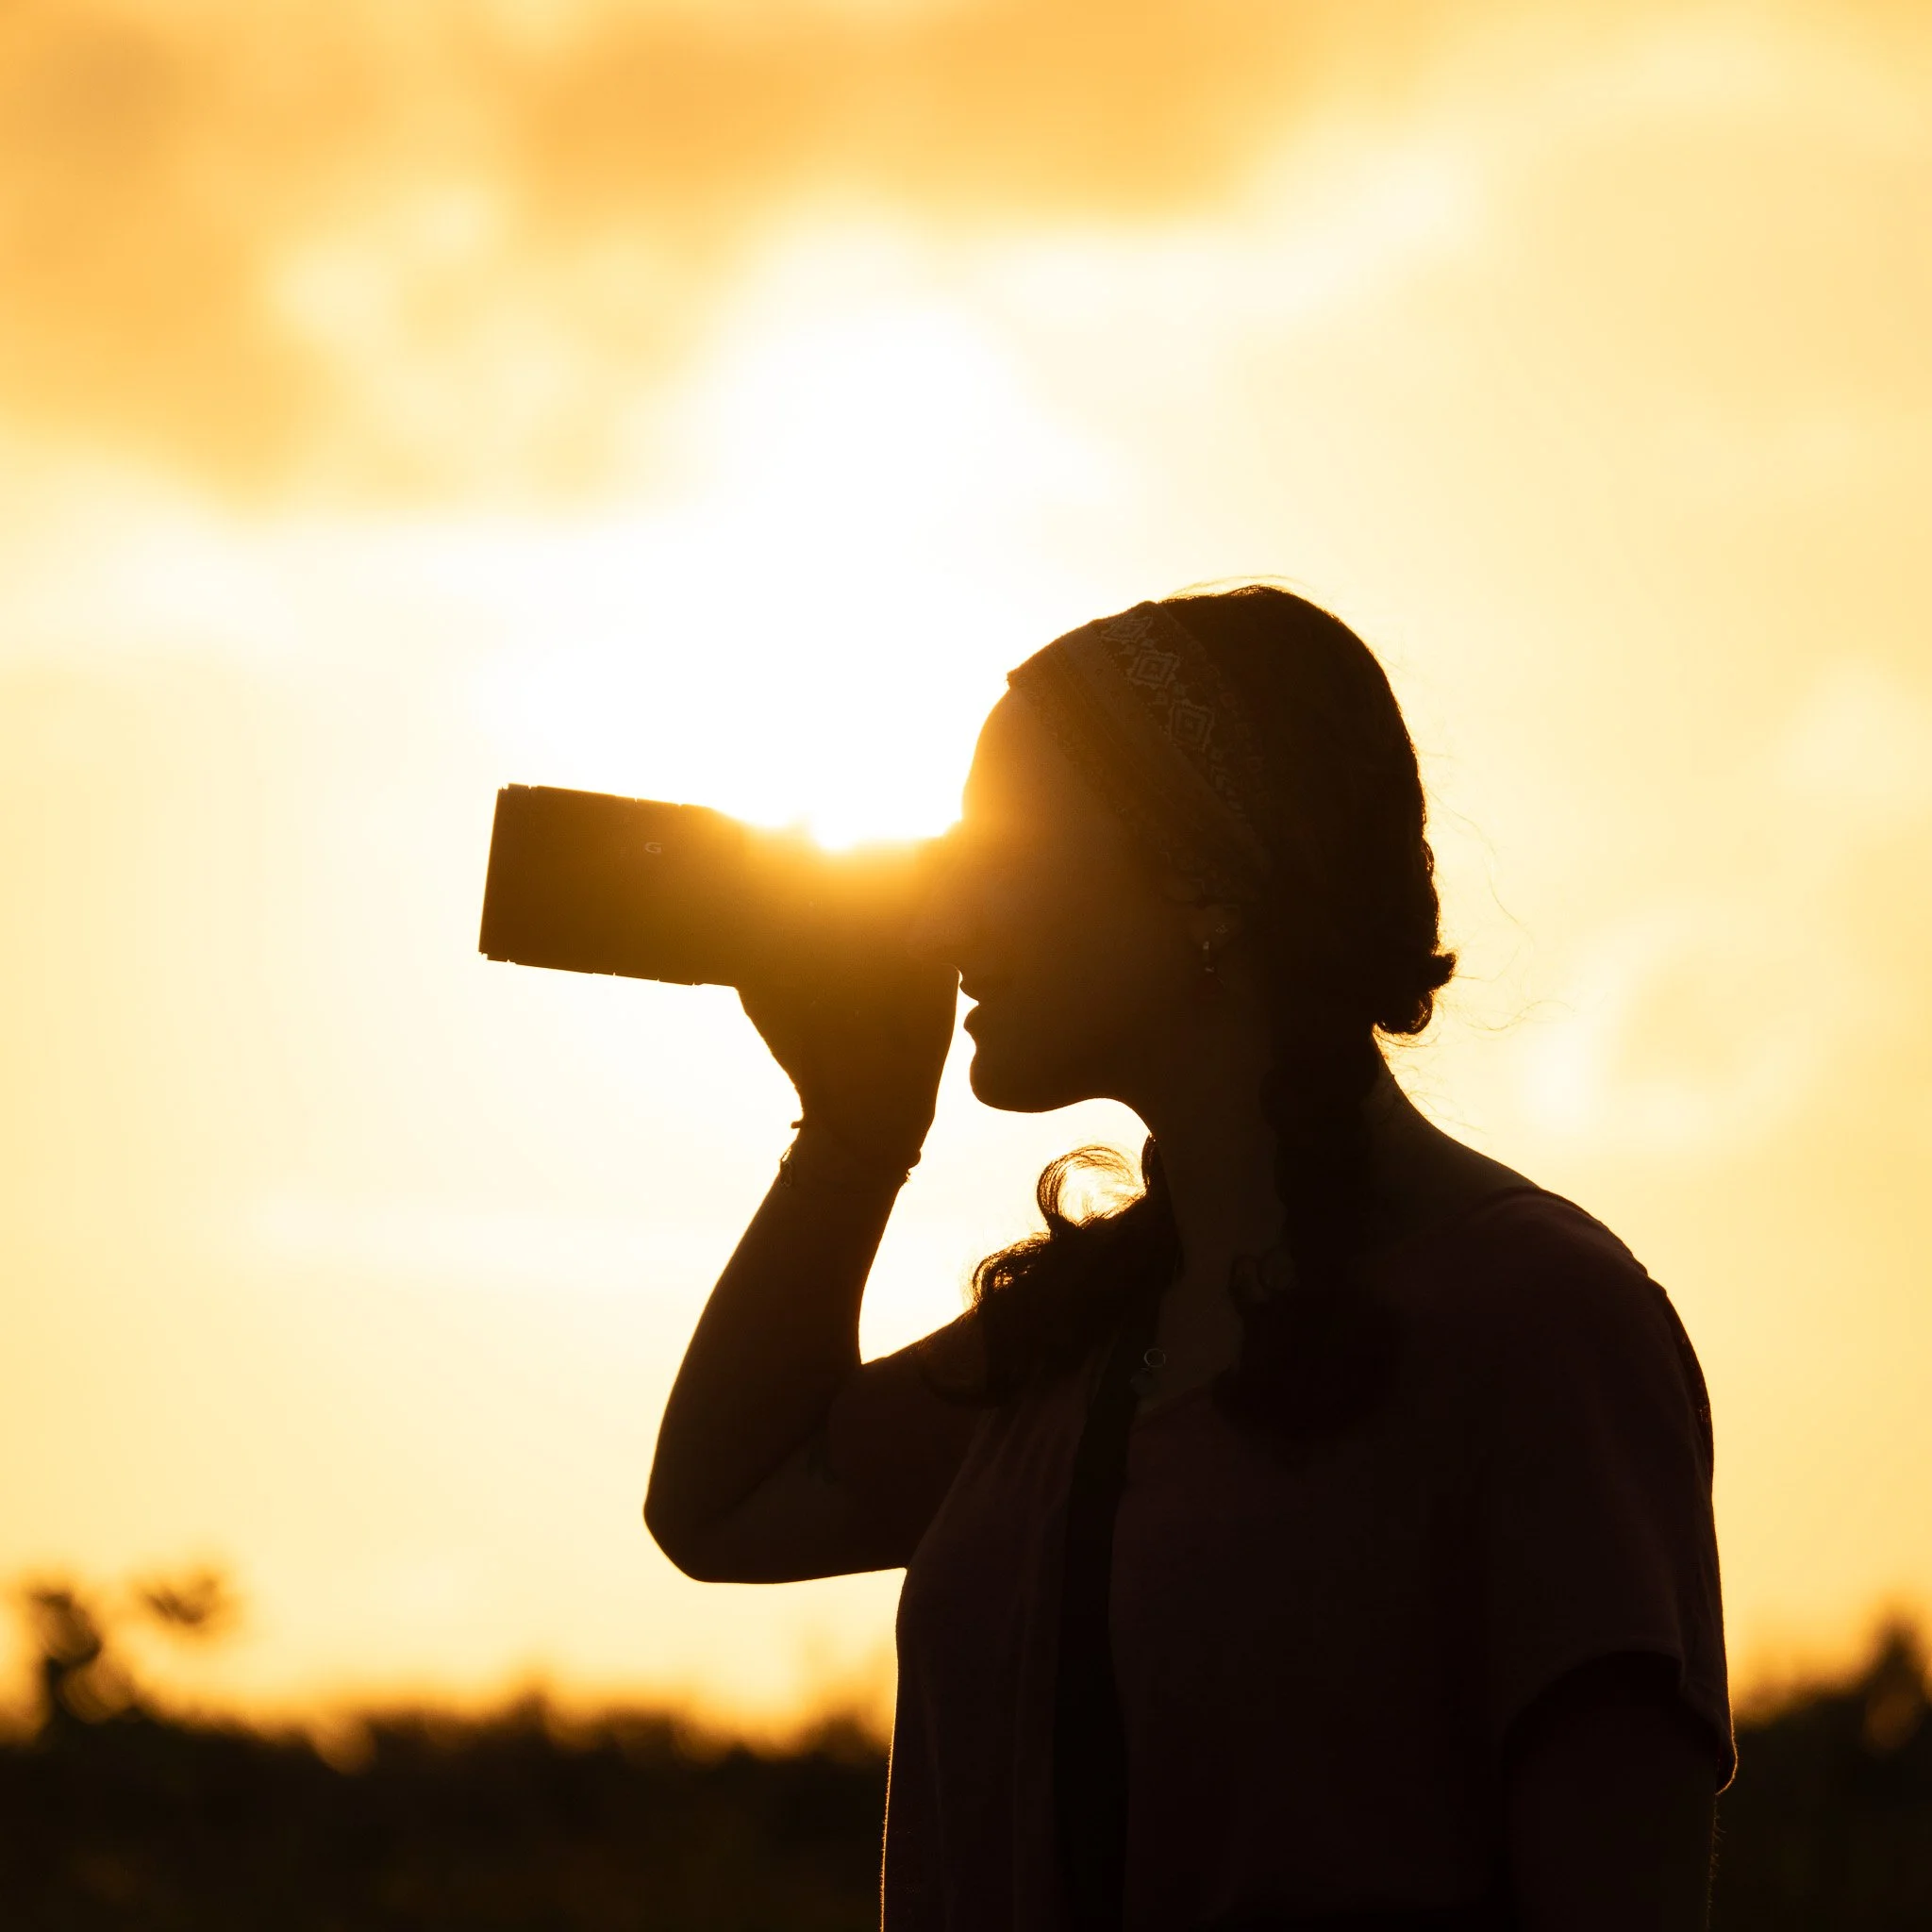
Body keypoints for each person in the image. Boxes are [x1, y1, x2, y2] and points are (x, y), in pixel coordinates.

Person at [644, 586, 1731, 1931]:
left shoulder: (1541, 1324)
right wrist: (857, 1139)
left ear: (1204, 877)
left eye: (1003, 854)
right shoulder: (1079, 1337)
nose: (941, 926)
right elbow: (724, 1503)